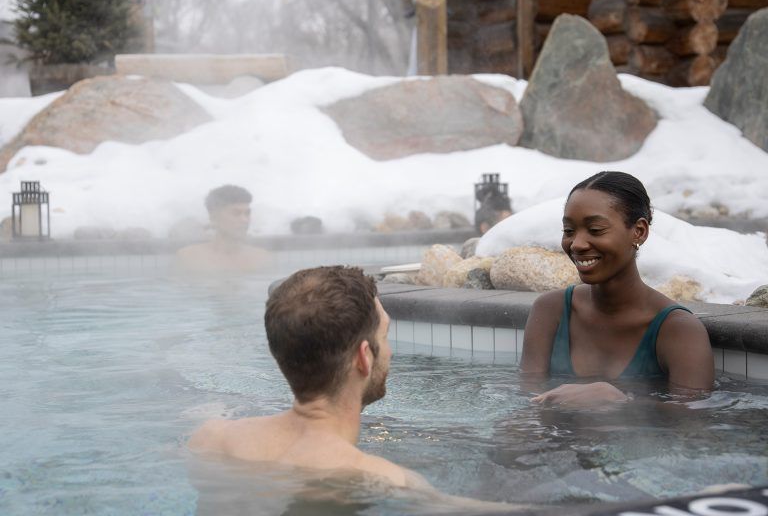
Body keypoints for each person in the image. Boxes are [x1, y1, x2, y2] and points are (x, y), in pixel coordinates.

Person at [189, 266, 527, 511]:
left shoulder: (212, 438)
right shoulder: (381, 478)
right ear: (364, 357)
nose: (390, 351)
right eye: (385, 335)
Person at [521, 171, 714, 406]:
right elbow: (526, 403)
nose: (577, 244)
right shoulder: (551, 311)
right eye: (569, 231)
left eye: (596, 230)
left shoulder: (677, 330)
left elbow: (693, 424)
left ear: (639, 231)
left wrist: (618, 401)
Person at [174, 185, 269, 274]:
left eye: (247, 213)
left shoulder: (262, 258)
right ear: (214, 217)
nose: (245, 220)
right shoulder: (189, 258)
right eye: (236, 213)